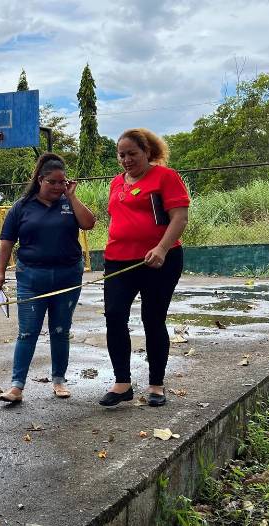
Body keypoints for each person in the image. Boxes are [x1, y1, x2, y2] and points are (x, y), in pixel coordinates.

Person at [0, 153, 96, 403]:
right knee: (27, 332)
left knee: (60, 330)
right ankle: (17, 387)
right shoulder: (21, 206)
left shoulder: (68, 202)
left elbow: (89, 223)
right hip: (31, 277)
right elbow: (7, 241)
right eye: (53, 182)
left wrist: (71, 197)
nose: (59, 187)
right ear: (40, 180)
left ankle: (59, 380)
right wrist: (0, 271)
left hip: (68, 276)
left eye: (63, 182)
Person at [99, 128, 190, 408]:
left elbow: (180, 217)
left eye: (132, 154)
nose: (126, 160)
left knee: (152, 319)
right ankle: (122, 383)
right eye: (121, 155)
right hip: (118, 260)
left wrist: (161, 248)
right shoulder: (116, 183)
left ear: (147, 152)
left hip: (159, 260)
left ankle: (156, 384)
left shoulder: (166, 177)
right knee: (114, 316)